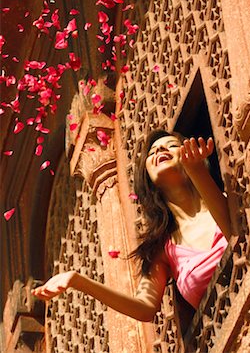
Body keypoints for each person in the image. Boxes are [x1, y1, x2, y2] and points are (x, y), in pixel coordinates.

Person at [32, 129, 232, 321]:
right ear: (147, 178)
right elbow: (144, 308)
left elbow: (235, 236)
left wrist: (197, 172)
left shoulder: (227, 199)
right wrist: (77, 280)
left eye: (171, 146)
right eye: (153, 152)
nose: (160, 151)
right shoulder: (164, 249)